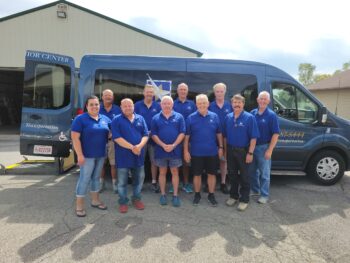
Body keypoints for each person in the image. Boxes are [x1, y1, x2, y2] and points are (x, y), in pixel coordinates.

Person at [71, 95, 110, 217]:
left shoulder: (105, 118)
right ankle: (79, 205)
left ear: (100, 105)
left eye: (97, 104)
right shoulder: (80, 119)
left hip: (100, 155)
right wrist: (80, 155)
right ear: (87, 106)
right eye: (91, 104)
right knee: (84, 179)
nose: (94, 106)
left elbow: (111, 133)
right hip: (86, 156)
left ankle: (95, 200)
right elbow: (75, 138)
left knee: (96, 178)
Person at [184, 94, 223, 207]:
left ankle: (211, 195)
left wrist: (221, 147)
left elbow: (219, 133)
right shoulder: (190, 118)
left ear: (208, 104)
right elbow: (186, 137)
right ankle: (197, 195)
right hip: (196, 153)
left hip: (212, 152)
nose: (202, 104)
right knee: (197, 175)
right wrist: (186, 151)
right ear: (196, 104)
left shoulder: (214, 116)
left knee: (212, 174)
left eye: (204, 102)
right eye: (199, 103)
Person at [111, 98, 149, 213]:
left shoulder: (140, 118)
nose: (128, 108)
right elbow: (117, 138)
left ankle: (136, 199)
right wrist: (133, 147)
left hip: (138, 156)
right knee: (122, 182)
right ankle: (123, 201)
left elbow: (145, 135)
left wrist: (139, 146)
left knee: (138, 180)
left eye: (130, 105)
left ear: (133, 106)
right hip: (123, 157)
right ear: (121, 108)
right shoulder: (116, 120)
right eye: (125, 106)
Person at [223, 94, 259, 211]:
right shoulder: (228, 117)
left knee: (245, 176)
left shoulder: (249, 118)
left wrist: (250, 153)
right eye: (235, 102)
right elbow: (224, 136)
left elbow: (253, 138)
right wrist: (224, 150)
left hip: (244, 151)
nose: (237, 105)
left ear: (243, 104)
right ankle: (233, 196)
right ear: (232, 104)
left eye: (239, 102)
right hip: (230, 150)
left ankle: (244, 199)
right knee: (232, 175)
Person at [151, 96, 186, 207]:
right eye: (164, 103)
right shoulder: (155, 118)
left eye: (168, 103)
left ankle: (175, 195)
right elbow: (154, 134)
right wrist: (162, 145)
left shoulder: (179, 117)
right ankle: (163, 194)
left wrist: (174, 145)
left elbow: (182, 133)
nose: (166, 105)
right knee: (162, 172)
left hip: (175, 150)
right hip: (161, 150)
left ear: (172, 105)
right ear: (161, 105)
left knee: (175, 172)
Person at [249, 91, 280, 204]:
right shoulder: (252, 113)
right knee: (253, 172)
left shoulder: (271, 115)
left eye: (265, 99)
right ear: (257, 99)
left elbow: (275, 134)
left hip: (263, 147)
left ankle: (264, 195)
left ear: (268, 101)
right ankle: (255, 190)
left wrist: (270, 150)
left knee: (264, 174)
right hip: (252, 147)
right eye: (261, 98)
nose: (262, 101)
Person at [135, 84, 161, 193]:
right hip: (140, 139)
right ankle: (139, 183)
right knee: (139, 161)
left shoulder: (158, 106)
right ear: (143, 93)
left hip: (154, 139)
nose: (149, 94)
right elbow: (133, 120)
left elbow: (160, 121)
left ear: (153, 93)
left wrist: (153, 133)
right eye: (147, 92)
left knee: (154, 161)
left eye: (151, 92)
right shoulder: (137, 105)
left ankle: (154, 182)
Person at [208, 83, 232, 194]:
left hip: (226, 137)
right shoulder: (210, 105)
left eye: (221, 91)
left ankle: (223, 182)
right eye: (217, 91)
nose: (219, 93)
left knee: (223, 160)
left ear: (225, 92)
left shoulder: (230, 105)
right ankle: (209, 183)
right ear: (214, 92)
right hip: (212, 137)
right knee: (211, 160)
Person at [173, 83, 196, 193]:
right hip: (175, 138)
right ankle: (175, 184)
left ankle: (186, 184)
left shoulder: (192, 104)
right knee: (175, 162)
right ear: (177, 91)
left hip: (189, 138)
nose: (183, 91)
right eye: (181, 89)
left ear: (187, 91)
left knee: (186, 162)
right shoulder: (172, 103)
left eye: (185, 90)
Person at [99, 89, 121, 193]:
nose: (108, 97)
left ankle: (114, 184)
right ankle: (100, 184)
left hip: (113, 141)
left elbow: (121, 123)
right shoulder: (97, 108)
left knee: (113, 164)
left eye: (110, 96)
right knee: (101, 163)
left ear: (113, 98)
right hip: (100, 141)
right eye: (106, 95)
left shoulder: (118, 109)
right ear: (102, 97)